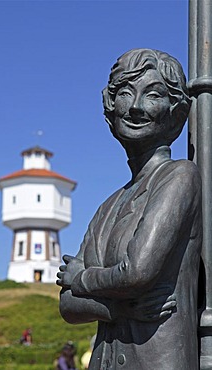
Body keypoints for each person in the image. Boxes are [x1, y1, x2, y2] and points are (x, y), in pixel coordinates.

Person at [57, 49, 202, 369]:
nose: (135, 107)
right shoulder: (107, 207)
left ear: (176, 112)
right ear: (110, 108)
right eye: (124, 92)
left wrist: (81, 279)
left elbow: (137, 272)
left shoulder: (179, 176)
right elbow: (67, 305)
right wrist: (119, 310)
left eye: (153, 95)